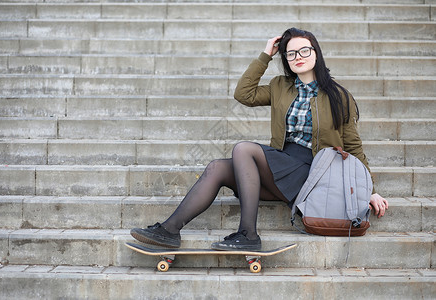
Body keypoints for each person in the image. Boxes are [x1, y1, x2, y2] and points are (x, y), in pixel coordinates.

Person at [130, 27, 389, 251]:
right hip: (282, 166)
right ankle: (169, 230)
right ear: (285, 58)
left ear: (316, 53)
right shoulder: (280, 86)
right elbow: (244, 94)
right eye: (291, 53)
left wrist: (370, 191)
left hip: (313, 173)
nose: (298, 57)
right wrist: (266, 54)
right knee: (217, 168)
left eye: (304, 51)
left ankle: (248, 234)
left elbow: (354, 147)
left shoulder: (338, 95)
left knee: (243, 149)